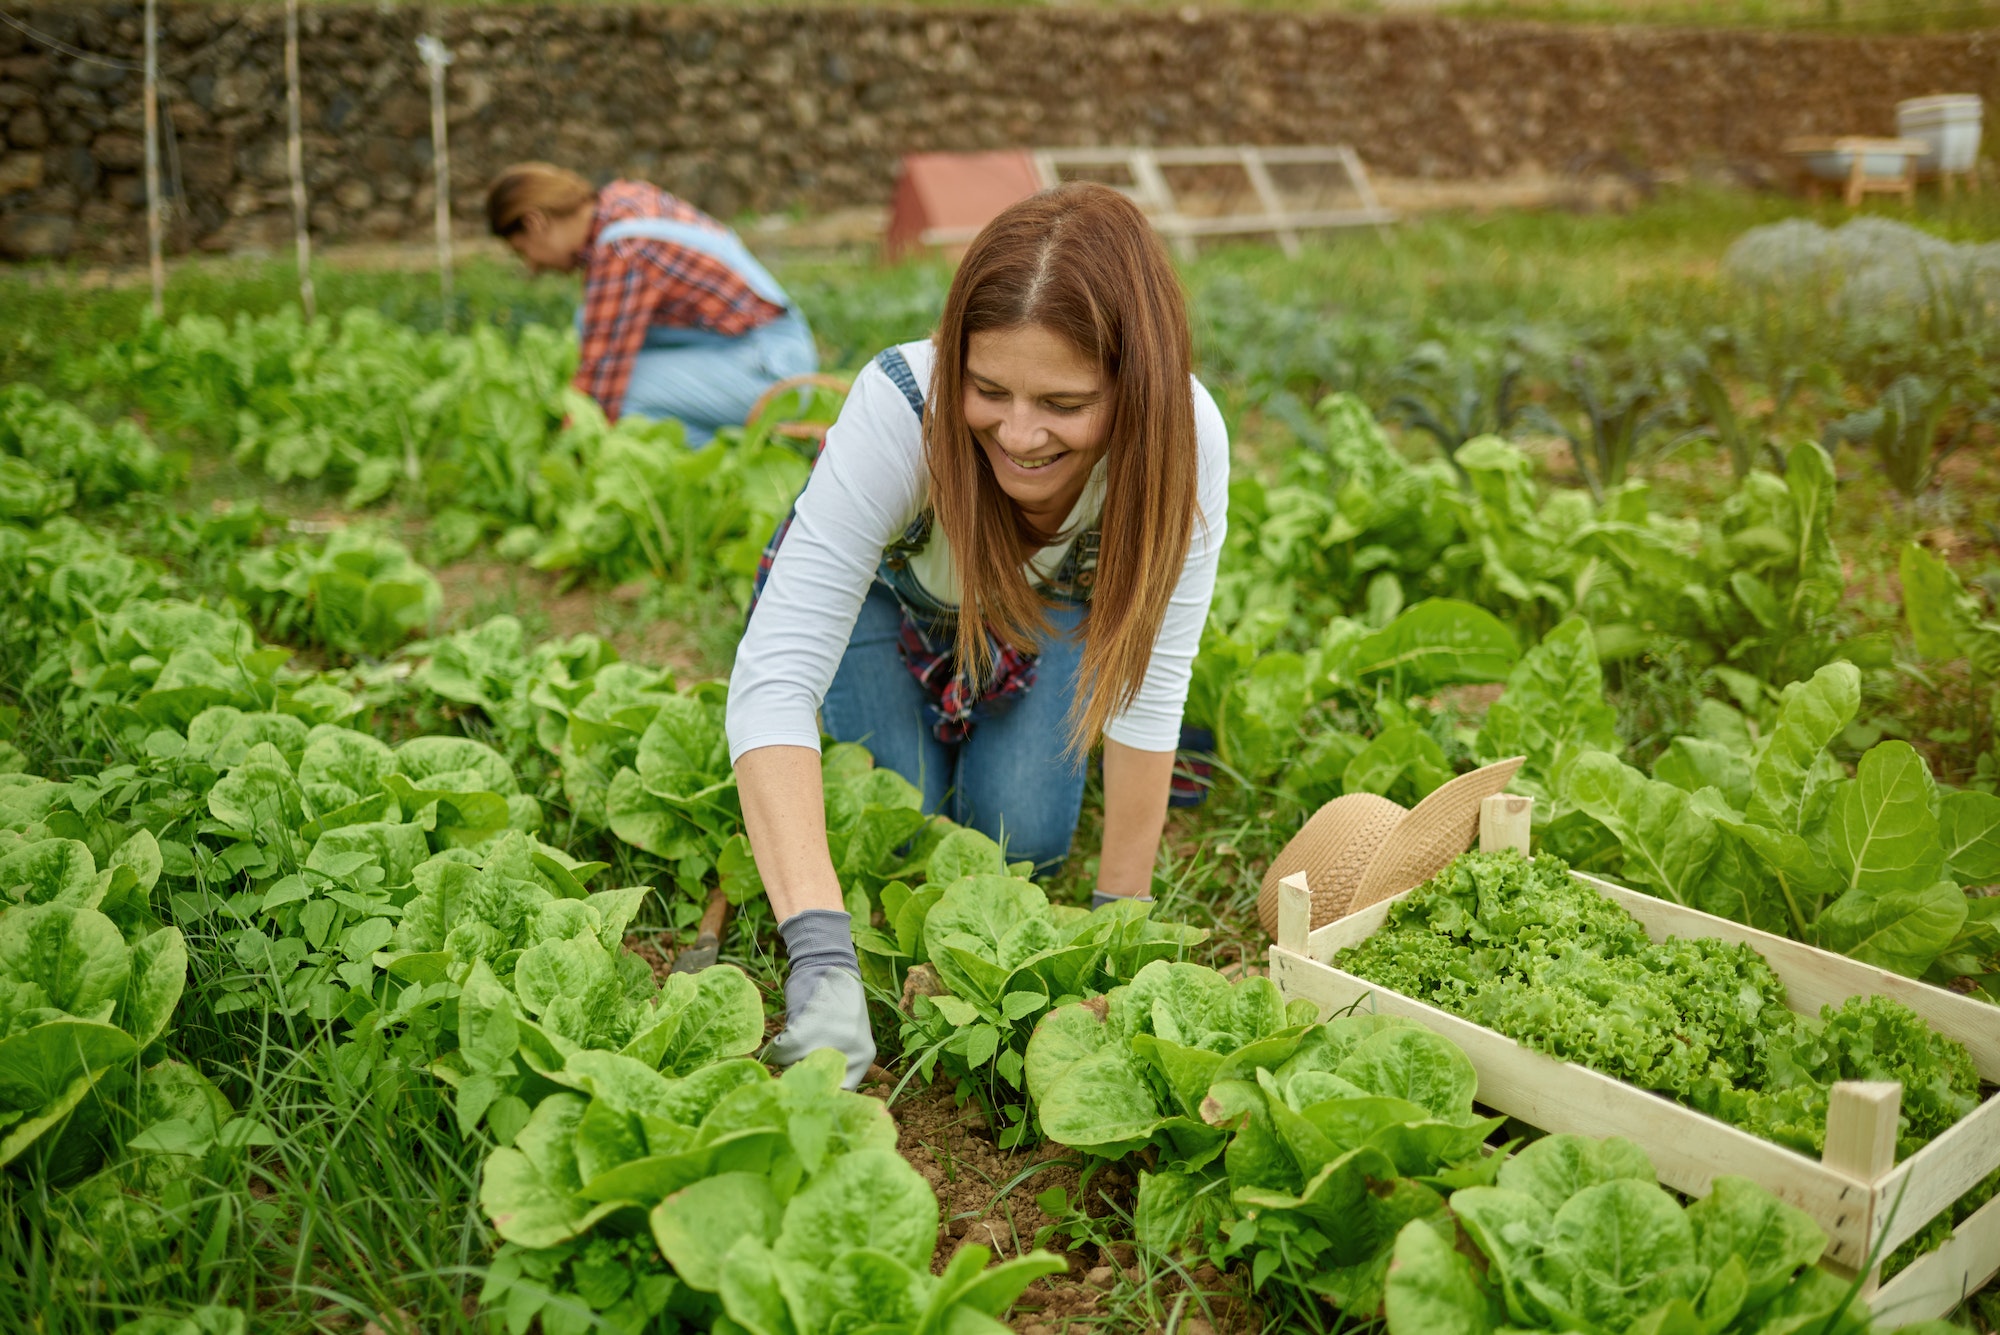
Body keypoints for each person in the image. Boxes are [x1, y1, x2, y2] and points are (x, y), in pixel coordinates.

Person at [726, 182, 1229, 1087]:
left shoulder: (1185, 440)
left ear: (1134, 387)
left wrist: (1124, 926)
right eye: (988, 390)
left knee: (1022, 843)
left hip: (1047, 613)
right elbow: (774, 679)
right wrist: (820, 954)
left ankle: (982, 708)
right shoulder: (900, 407)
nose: (1020, 434)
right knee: (901, 830)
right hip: (892, 604)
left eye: (1065, 404)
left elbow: (1152, 683)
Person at [485, 162, 819, 445]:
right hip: (768, 352)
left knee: (620, 398)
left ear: (535, 223)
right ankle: (740, 444)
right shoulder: (621, 201)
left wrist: (558, 451)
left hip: (771, 372)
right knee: (594, 339)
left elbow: (600, 392)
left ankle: (737, 458)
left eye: (521, 251)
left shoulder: (623, 248)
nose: (531, 266)